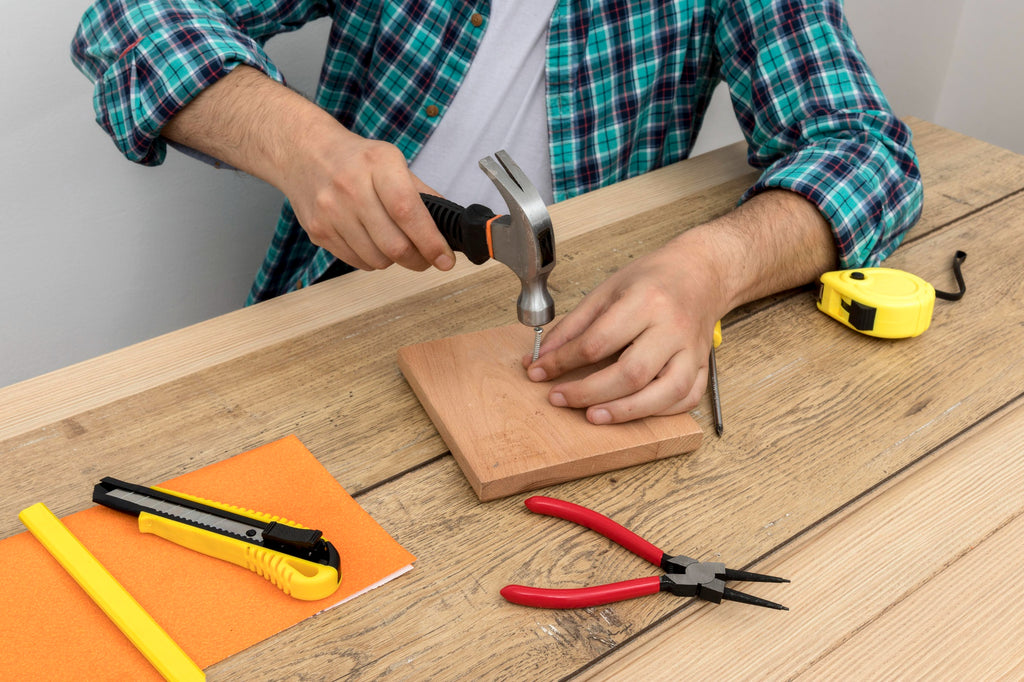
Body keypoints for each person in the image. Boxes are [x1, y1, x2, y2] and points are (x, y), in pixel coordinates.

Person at [71, 1, 922, 426]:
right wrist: (301, 146)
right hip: (336, 315)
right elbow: (126, 19)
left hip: (576, 335)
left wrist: (708, 268)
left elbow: (867, 148)